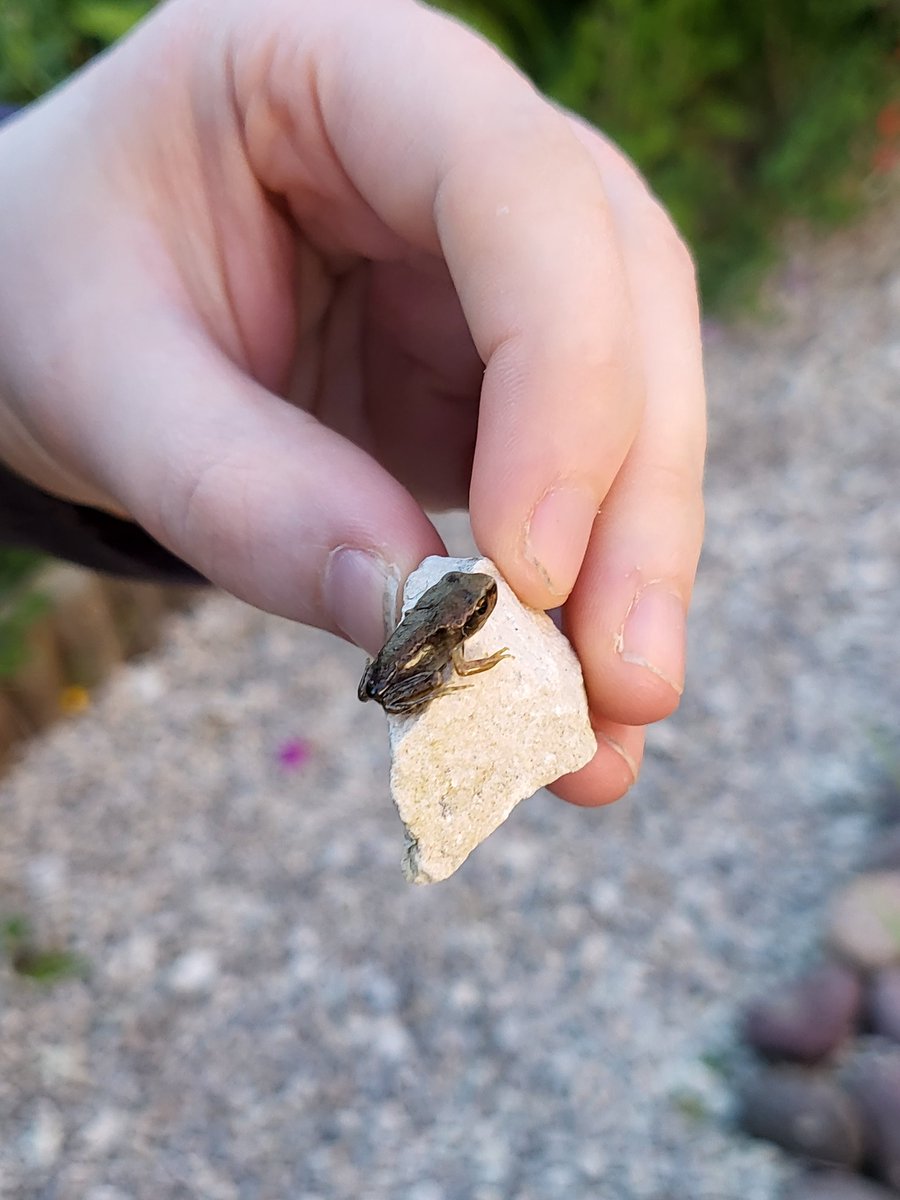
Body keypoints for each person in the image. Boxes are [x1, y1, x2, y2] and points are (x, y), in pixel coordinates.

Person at [0, 0, 705, 807]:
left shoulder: (449, 616)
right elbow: (454, 656)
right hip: (403, 660)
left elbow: (460, 645)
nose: (475, 606)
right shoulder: (447, 627)